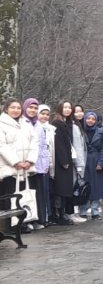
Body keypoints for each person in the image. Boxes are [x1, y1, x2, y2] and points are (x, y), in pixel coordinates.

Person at [0, 99, 38, 227]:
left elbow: (34, 142)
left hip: (26, 167)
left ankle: (23, 221)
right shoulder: (2, 123)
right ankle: (10, 225)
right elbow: (2, 146)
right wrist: (15, 162)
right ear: (6, 109)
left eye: (18, 108)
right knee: (10, 196)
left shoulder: (25, 124)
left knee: (23, 195)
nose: (16, 110)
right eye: (12, 107)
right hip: (10, 167)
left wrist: (30, 160)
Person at [22, 98, 49, 229]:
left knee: (37, 193)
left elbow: (43, 147)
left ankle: (37, 219)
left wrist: (45, 164)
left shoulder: (38, 125)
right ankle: (26, 221)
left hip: (38, 165)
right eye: (30, 107)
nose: (32, 110)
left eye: (35, 108)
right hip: (25, 164)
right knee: (25, 193)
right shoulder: (21, 123)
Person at [50, 101, 76, 225]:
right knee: (60, 189)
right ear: (60, 108)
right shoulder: (57, 123)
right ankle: (58, 214)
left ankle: (63, 213)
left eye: (69, 107)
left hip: (67, 160)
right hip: (62, 162)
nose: (67, 109)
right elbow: (58, 143)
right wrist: (64, 161)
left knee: (65, 189)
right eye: (65, 107)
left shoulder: (66, 123)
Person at [80, 112, 103, 220]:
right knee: (84, 187)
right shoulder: (81, 131)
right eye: (88, 118)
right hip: (84, 160)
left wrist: (101, 163)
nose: (90, 121)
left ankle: (95, 211)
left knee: (97, 187)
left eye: (93, 119)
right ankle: (82, 210)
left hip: (96, 160)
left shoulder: (100, 132)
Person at [38, 104, 56, 225]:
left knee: (47, 190)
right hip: (37, 163)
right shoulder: (33, 127)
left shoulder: (51, 129)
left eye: (47, 114)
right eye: (42, 113)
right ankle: (40, 217)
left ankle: (47, 216)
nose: (44, 116)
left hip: (49, 162)